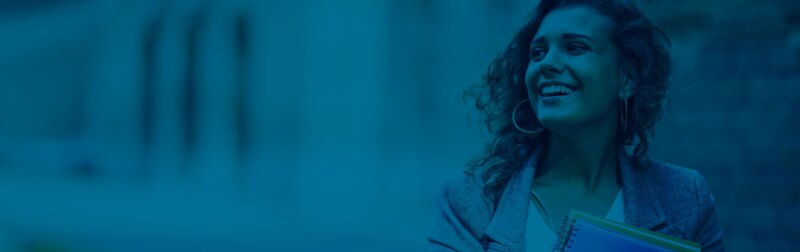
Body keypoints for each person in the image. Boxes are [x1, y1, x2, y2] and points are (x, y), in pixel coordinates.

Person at [427, 0, 724, 251]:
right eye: (537, 52)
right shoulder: (470, 200)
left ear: (626, 79)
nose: (546, 63)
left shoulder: (686, 198)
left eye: (575, 47)